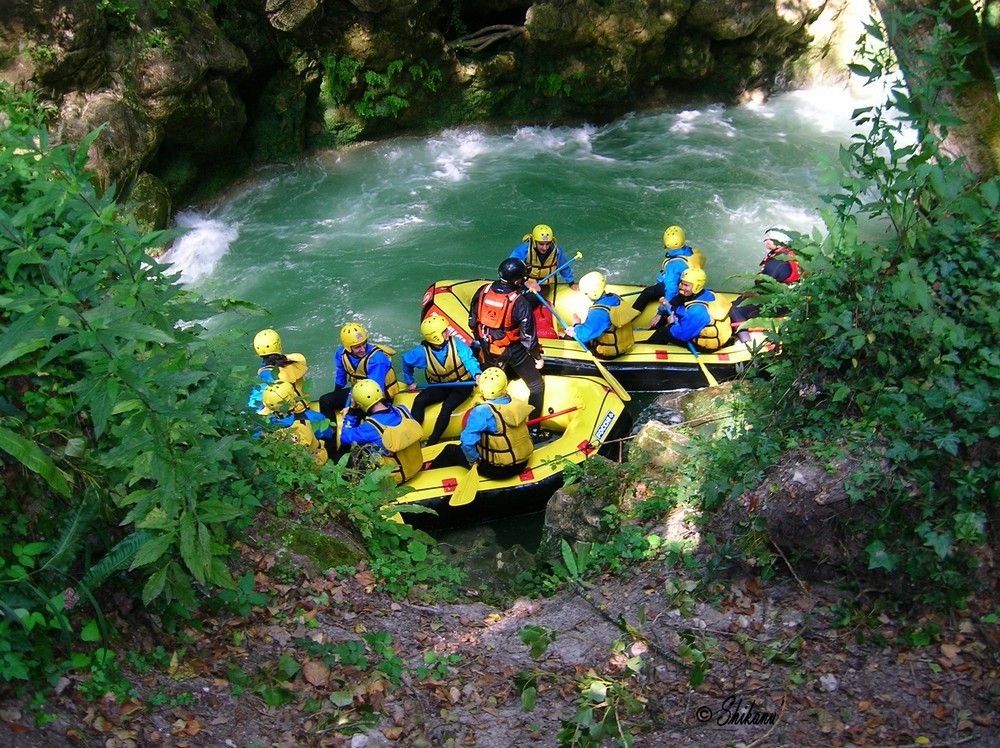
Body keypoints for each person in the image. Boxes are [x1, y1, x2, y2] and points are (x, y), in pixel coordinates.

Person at [469, 258, 545, 422]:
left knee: (492, 386)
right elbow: (529, 337)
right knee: (536, 387)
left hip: (488, 347)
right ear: (517, 280)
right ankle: (533, 425)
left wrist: (483, 342)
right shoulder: (520, 303)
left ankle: (490, 418)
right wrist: (537, 357)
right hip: (513, 350)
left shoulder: (483, 290)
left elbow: (472, 321)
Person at [429, 367, 534, 480]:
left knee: (450, 450)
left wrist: (473, 460)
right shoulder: (515, 402)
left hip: (499, 470)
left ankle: (428, 476)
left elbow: (467, 442)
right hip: (522, 462)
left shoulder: (481, 412)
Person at [402, 316, 482, 445]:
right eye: (444, 331)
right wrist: (409, 381)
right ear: (435, 336)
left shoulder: (456, 344)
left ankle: (432, 441)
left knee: (447, 407)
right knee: (419, 400)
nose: (448, 332)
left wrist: (477, 374)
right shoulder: (422, 352)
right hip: (441, 385)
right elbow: (406, 361)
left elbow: (469, 359)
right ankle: (413, 438)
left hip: (462, 384)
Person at [333, 379, 424, 485]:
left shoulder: (369, 427)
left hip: (394, 478)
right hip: (416, 465)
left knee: (339, 458)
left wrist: (352, 410)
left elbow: (345, 437)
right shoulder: (402, 410)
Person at [730, 228, 802, 343]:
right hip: (792, 300)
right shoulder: (789, 255)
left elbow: (764, 291)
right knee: (741, 300)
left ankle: (745, 341)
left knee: (734, 308)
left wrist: (752, 294)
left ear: (780, 242)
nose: (765, 239)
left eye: (770, 238)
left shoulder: (776, 264)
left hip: (780, 304)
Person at [318, 322, 401, 421]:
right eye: (357, 347)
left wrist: (351, 409)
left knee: (354, 417)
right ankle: (330, 435)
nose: (362, 349)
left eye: (364, 344)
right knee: (324, 400)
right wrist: (337, 395)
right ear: (348, 347)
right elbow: (341, 375)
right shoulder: (341, 354)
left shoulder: (377, 359)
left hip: (377, 397)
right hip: (358, 391)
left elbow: (375, 390)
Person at [646, 268, 734, 351]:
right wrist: (672, 308)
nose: (682, 288)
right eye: (682, 283)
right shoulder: (709, 294)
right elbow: (688, 313)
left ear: (697, 286)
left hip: (705, 346)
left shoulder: (697, 310)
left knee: (662, 332)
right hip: (718, 335)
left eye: (686, 285)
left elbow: (683, 335)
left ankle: (647, 352)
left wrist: (671, 324)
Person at [631, 225, 706, 316]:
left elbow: (672, 289)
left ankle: (632, 314)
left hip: (679, 290)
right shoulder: (690, 251)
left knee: (647, 292)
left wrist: (660, 312)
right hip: (691, 285)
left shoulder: (673, 265)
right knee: (660, 285)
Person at [563, 271, 638, 359]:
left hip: (607, 354)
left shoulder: (598, 311)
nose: (586, 296)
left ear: (594, 292)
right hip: (623, 346)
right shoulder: (615, 298)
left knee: (568, 337)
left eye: (586, 293)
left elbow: (584, 335)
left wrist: (576, 325)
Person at [260, 380, 331, 467]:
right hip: (315, 461)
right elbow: (327, 435)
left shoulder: (264, 424)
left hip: (285, 464)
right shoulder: (314, 417)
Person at [249, 329, 310, 414]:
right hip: (305, 406)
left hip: (290, 416)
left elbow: (255, 404)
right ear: (279, 345)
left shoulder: (266, 375)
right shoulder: (294, 359)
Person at [509, 223, 580, 293]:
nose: (544, 248)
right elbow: (511, 266)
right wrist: (524, 282)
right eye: (541, 244)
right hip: (523, 283)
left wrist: (571, 283)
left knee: (532, 298)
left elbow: (563, 267)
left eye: (547, 244)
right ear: (534, 241)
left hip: (542, 286)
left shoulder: (556, 251)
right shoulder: (524, 250)